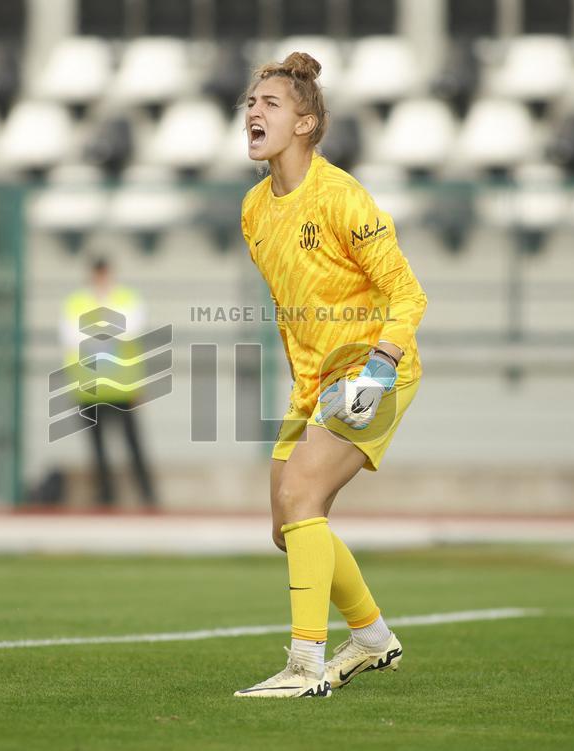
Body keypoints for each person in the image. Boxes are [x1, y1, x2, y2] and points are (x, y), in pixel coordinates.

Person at [233, 52, 428, 698]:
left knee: (302, 501)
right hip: (315, 383)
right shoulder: (253, 212)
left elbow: (408, 294)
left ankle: (305, 663)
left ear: (307, 124)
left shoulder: (343, 197)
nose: (253, 111)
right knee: (286, 526)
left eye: (270, 103)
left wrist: (379, 367)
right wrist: (305, 393)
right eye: (251, 102)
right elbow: (295, 311)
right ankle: (371, 637)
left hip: (374, 370)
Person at [60, 257, 158, 508]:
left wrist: (93, 328)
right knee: (98, 449)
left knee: (134, 445)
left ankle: (148, 496)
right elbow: (71, 337)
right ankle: (106, 498)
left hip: (122, 387)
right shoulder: (76, 302)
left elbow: (132, 329)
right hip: (89, 388)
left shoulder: (127, 298)